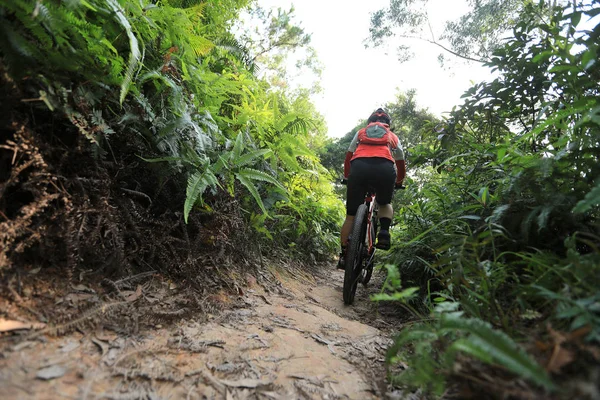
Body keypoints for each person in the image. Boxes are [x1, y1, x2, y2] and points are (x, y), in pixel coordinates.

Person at [338, 108, 406, 269]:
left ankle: (344, 253)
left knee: (351, 216)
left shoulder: (361, 132)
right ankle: (383, 232)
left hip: (359, 168)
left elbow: (349, 155)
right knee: (384, 203)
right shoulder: (392, 136)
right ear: (388, 124)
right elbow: (400, 160)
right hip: (384, 169)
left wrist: (348, 176)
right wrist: (399, 180)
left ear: (370, 122)